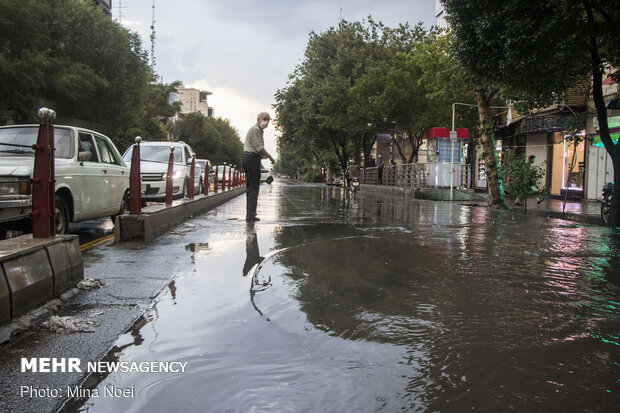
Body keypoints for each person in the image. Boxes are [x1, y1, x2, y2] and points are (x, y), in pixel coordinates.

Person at [243, 112, 275, 221]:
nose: (266, 122)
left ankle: (251, 214)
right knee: (253, 188)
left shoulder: (258, 130)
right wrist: (270, 157)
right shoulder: (256, 130)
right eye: (264, 119)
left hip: (251, 158)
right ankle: (251, 215)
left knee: (252, 187)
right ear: (259, 119)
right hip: (251, 158)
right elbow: (259, 148)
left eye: (268, 120)